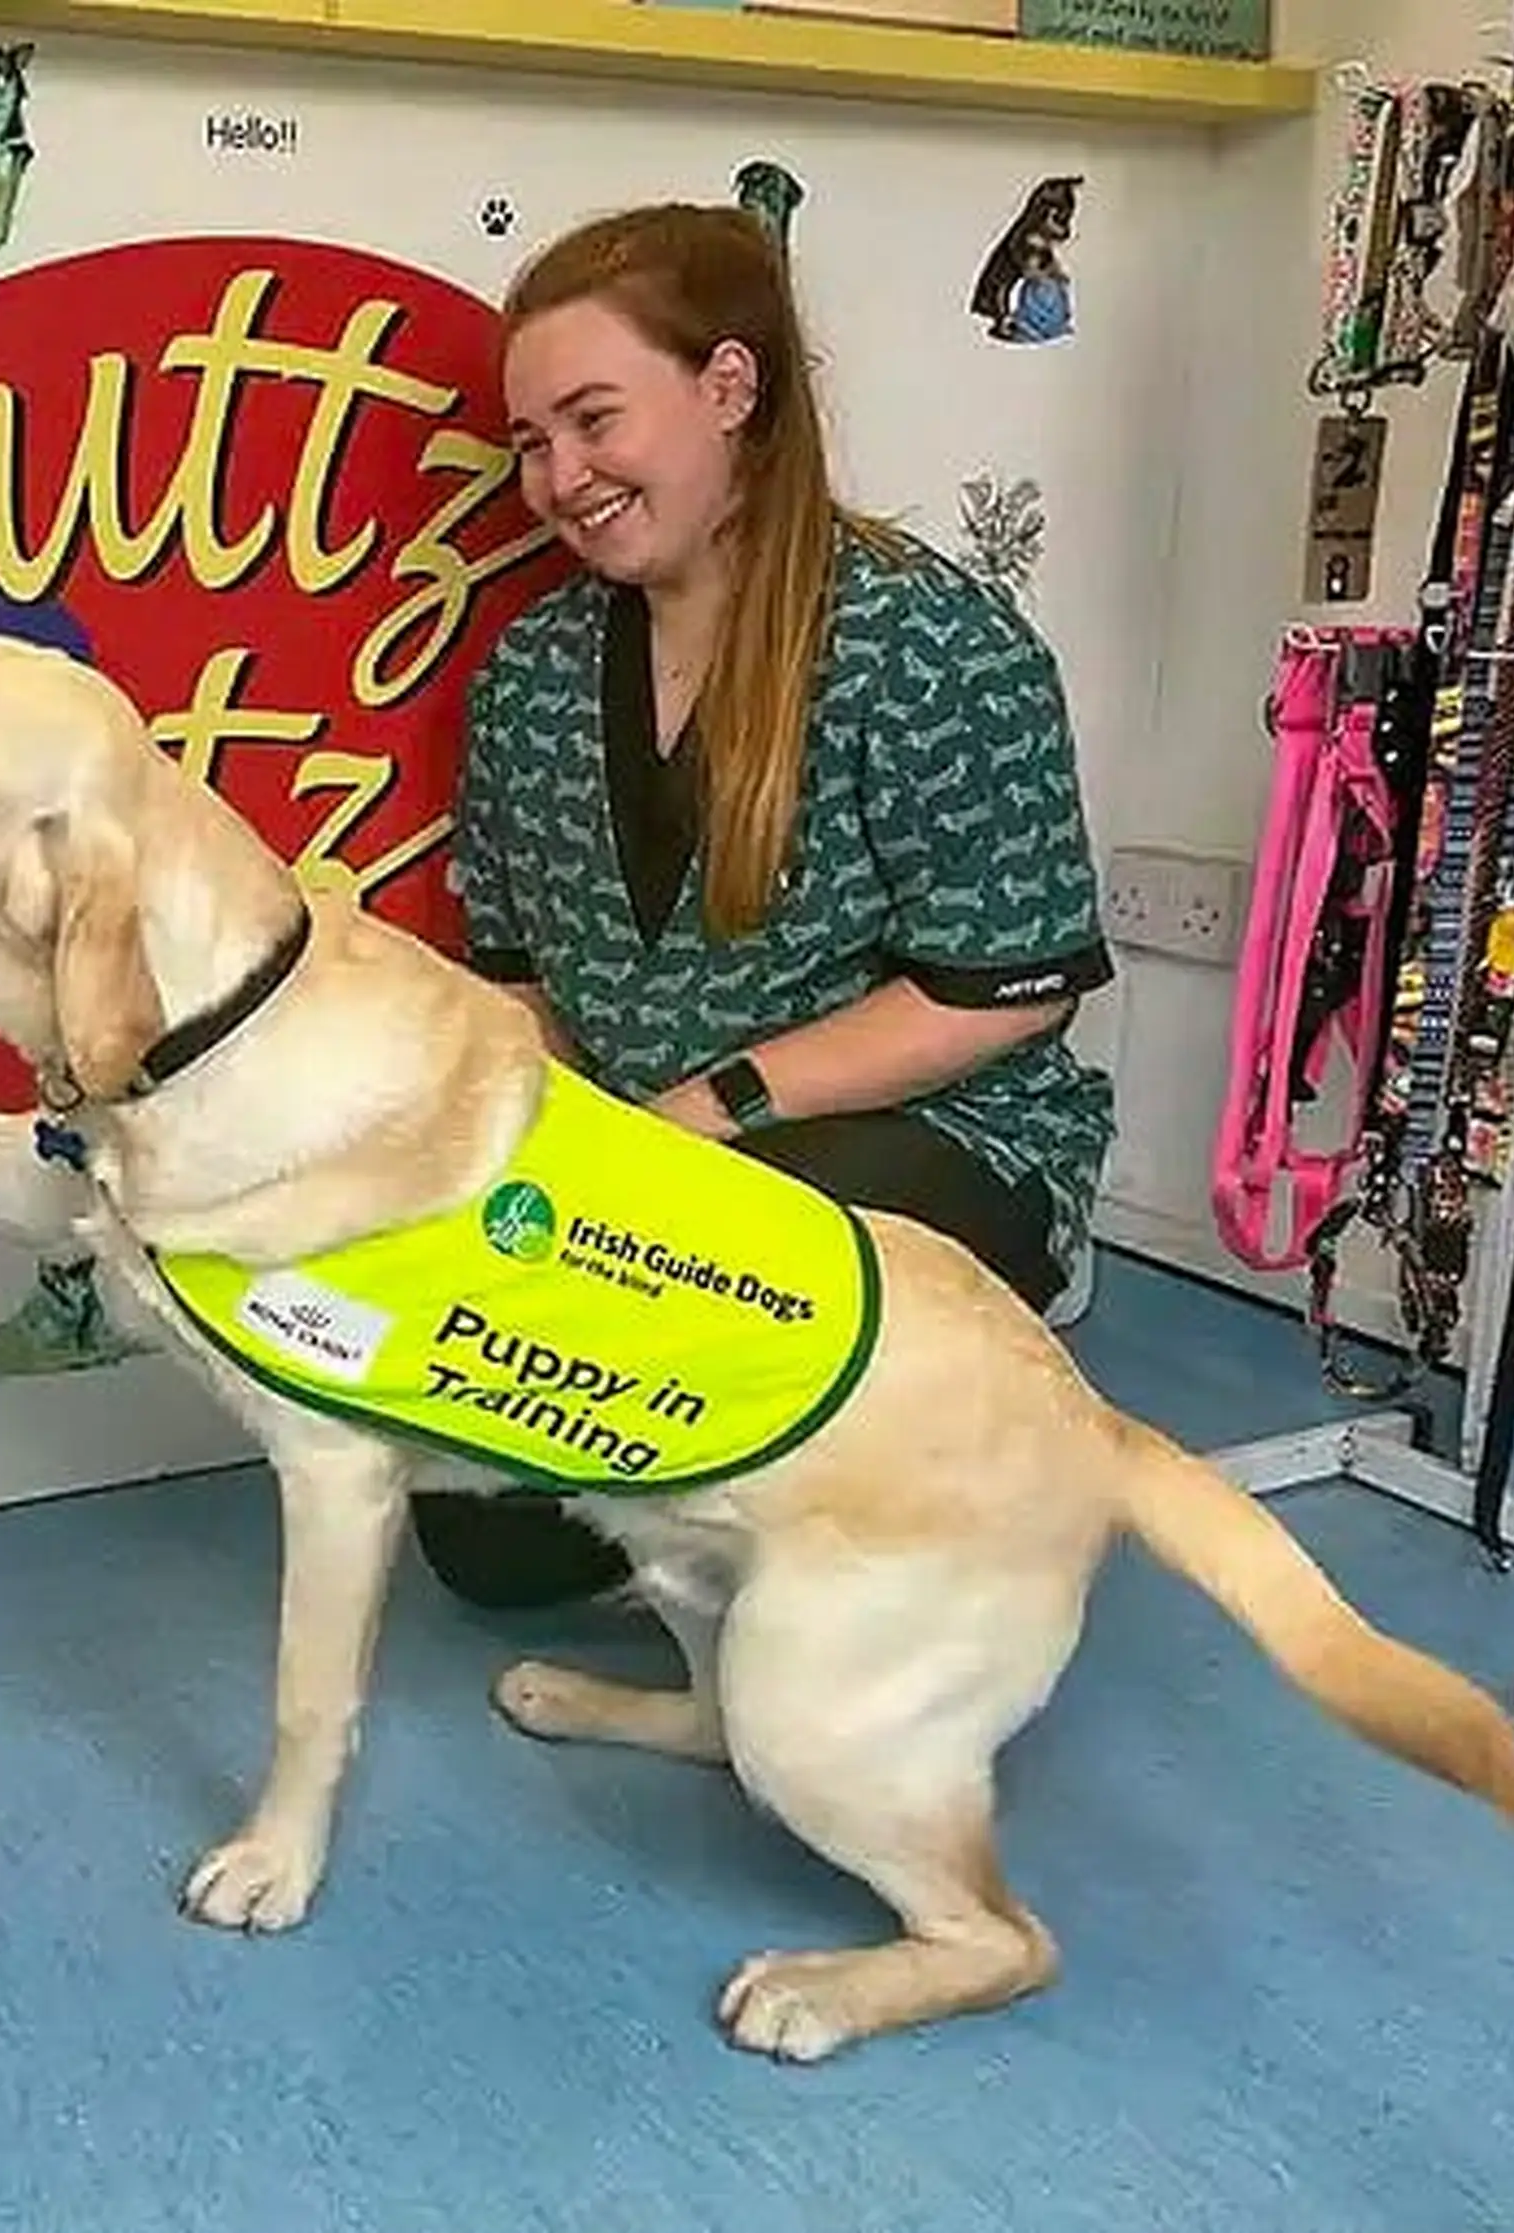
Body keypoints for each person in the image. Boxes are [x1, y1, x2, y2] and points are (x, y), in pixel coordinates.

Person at [418, 202, 1119, 1609]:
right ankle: (769, 1507)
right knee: (482, 1541)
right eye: (530, 444)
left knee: (744, 1274)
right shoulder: (529, 679)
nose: (559, 475)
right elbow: (521, 988)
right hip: (644, 1170)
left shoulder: (931, 644)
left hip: (918, 1146)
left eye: (593, 418)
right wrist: (521, 1176)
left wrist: (706, 1115)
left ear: (729, 388)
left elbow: (1005, 986)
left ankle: (929, 1437)